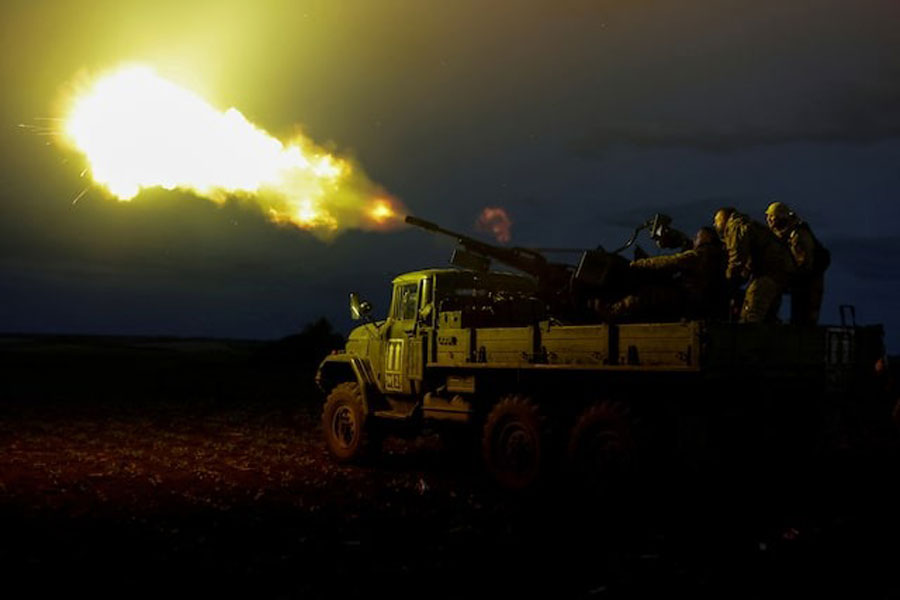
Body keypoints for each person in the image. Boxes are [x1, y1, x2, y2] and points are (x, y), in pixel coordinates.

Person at [623, 226, 728, 320]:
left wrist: (638, 264)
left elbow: (672, 261)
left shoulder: (701, 255)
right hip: (699, 300)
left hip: (690, 300)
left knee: (644, 296)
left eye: (697, 237)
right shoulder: (715, 255)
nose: (694, 239)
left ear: (708, 239)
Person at [713, 207, 795, 323]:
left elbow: (737, 257)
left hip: (767, 274)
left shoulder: (735, 226)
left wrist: (729, 279)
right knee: (768, 318)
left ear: (724, 217)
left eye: (716, 220)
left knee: (751, 315)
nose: (715, 224)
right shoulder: (751, 226)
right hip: (778, 275)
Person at [765, 202, 829, 325]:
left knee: (804, 319)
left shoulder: (797, 235)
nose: (768, 220)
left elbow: (804, 264)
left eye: (772, 216)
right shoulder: (786, 233)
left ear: (781, 217)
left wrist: (789, 277)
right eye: (768, 216)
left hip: (809, 283)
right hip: (803, 281)